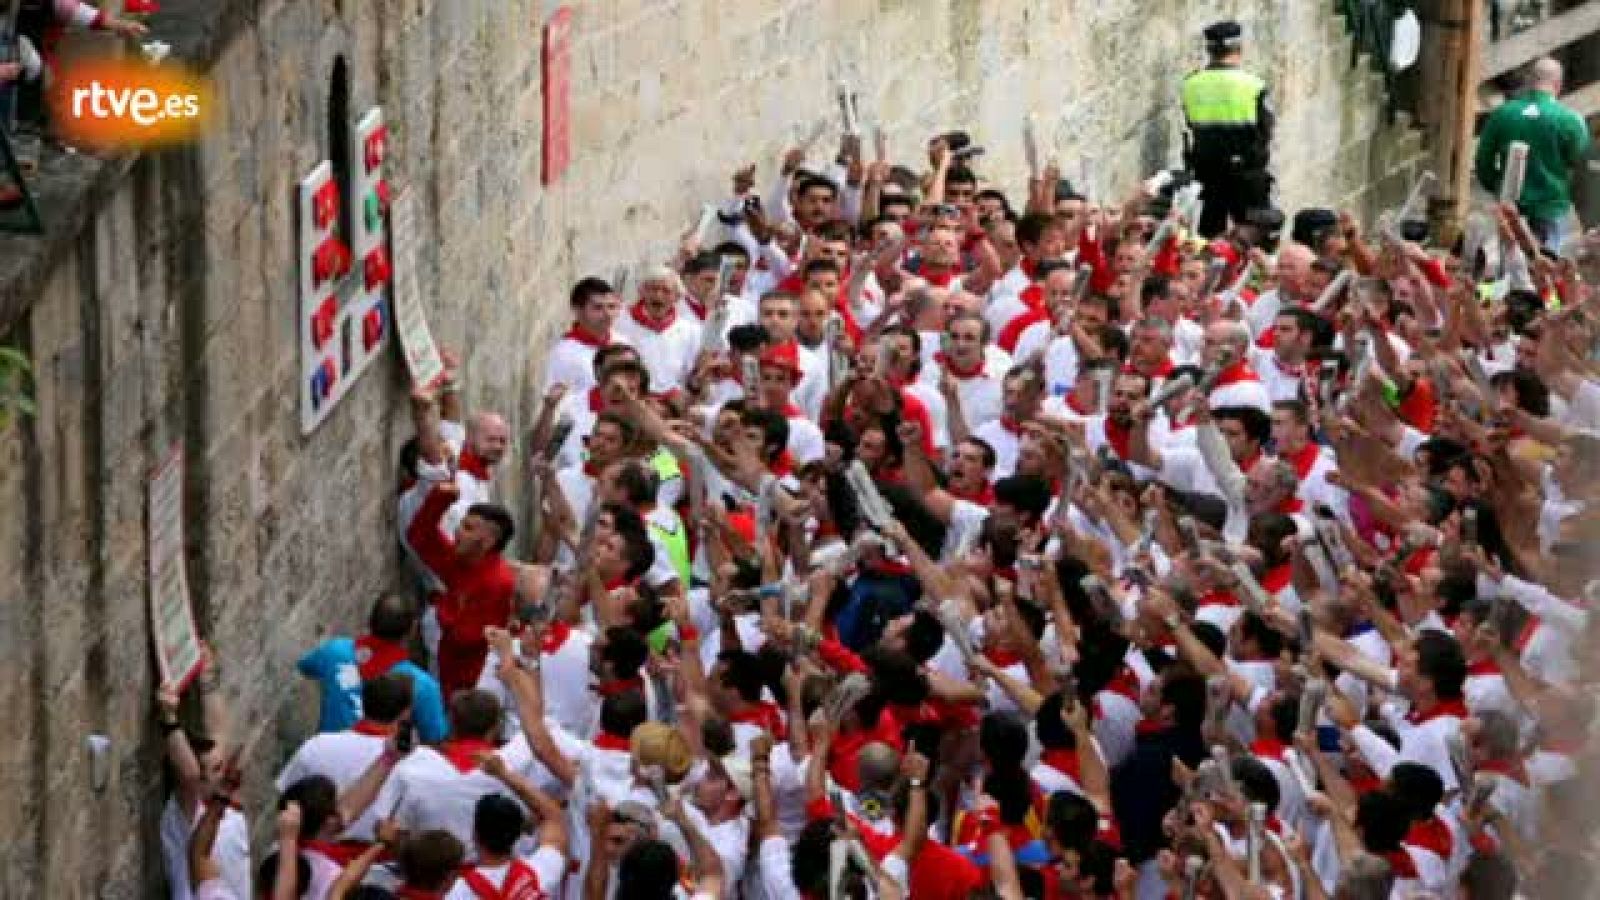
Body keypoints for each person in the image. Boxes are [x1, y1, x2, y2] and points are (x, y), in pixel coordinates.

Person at [1475, 57, 1591, 252]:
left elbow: (1483, 162)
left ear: (1530, 82)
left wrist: (1497, 186)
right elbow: (1582, 169)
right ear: (1558, 84)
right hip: (1550, 206)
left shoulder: (1502, 114)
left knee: (1509, 261)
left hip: (1510, 207)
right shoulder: (1570, 120)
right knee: (1545, 263)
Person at [1180, 20, 1274, 237]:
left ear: (1209, 50)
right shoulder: (1253, 85)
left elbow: (1191, 122)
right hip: (1246, 173)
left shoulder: (1191, 84)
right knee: (1255, 233)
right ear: (1238, 48)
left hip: (1207, 173)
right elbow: (1265, 130)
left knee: (1209, 233)